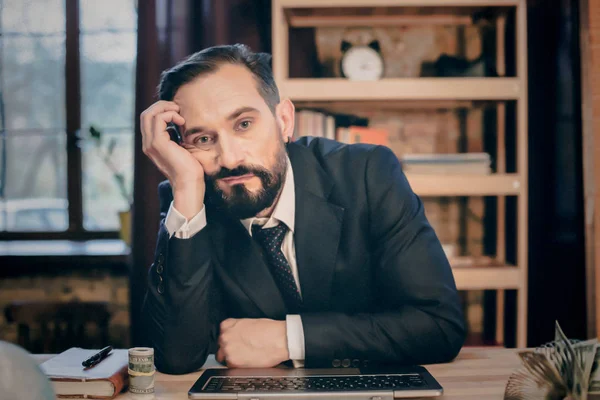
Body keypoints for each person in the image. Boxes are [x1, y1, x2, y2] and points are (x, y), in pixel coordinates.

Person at [140, 43, 466, 375]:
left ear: (283, 120)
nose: (230, 158)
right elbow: (176, 358)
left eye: (243, 125)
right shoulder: (189, 198)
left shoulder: (367, 173)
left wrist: (289, 339)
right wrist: (186, 189)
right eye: (203, 140)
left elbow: (438, 325)